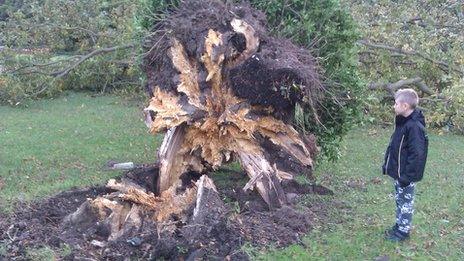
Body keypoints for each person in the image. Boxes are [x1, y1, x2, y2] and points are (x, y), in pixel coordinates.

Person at [382, 88, 429, 242]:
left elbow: (417, 155)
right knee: (400, 200)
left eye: (396, 103)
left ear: (405, 106)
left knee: (406, 202)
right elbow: (395, 147)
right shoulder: (402, 123)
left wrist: (407, 176)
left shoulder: (414, 127)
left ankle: (403, 232)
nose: (393, 106)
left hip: (406, 176)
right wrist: (389, 166)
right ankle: (399, 225)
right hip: (399, 173)